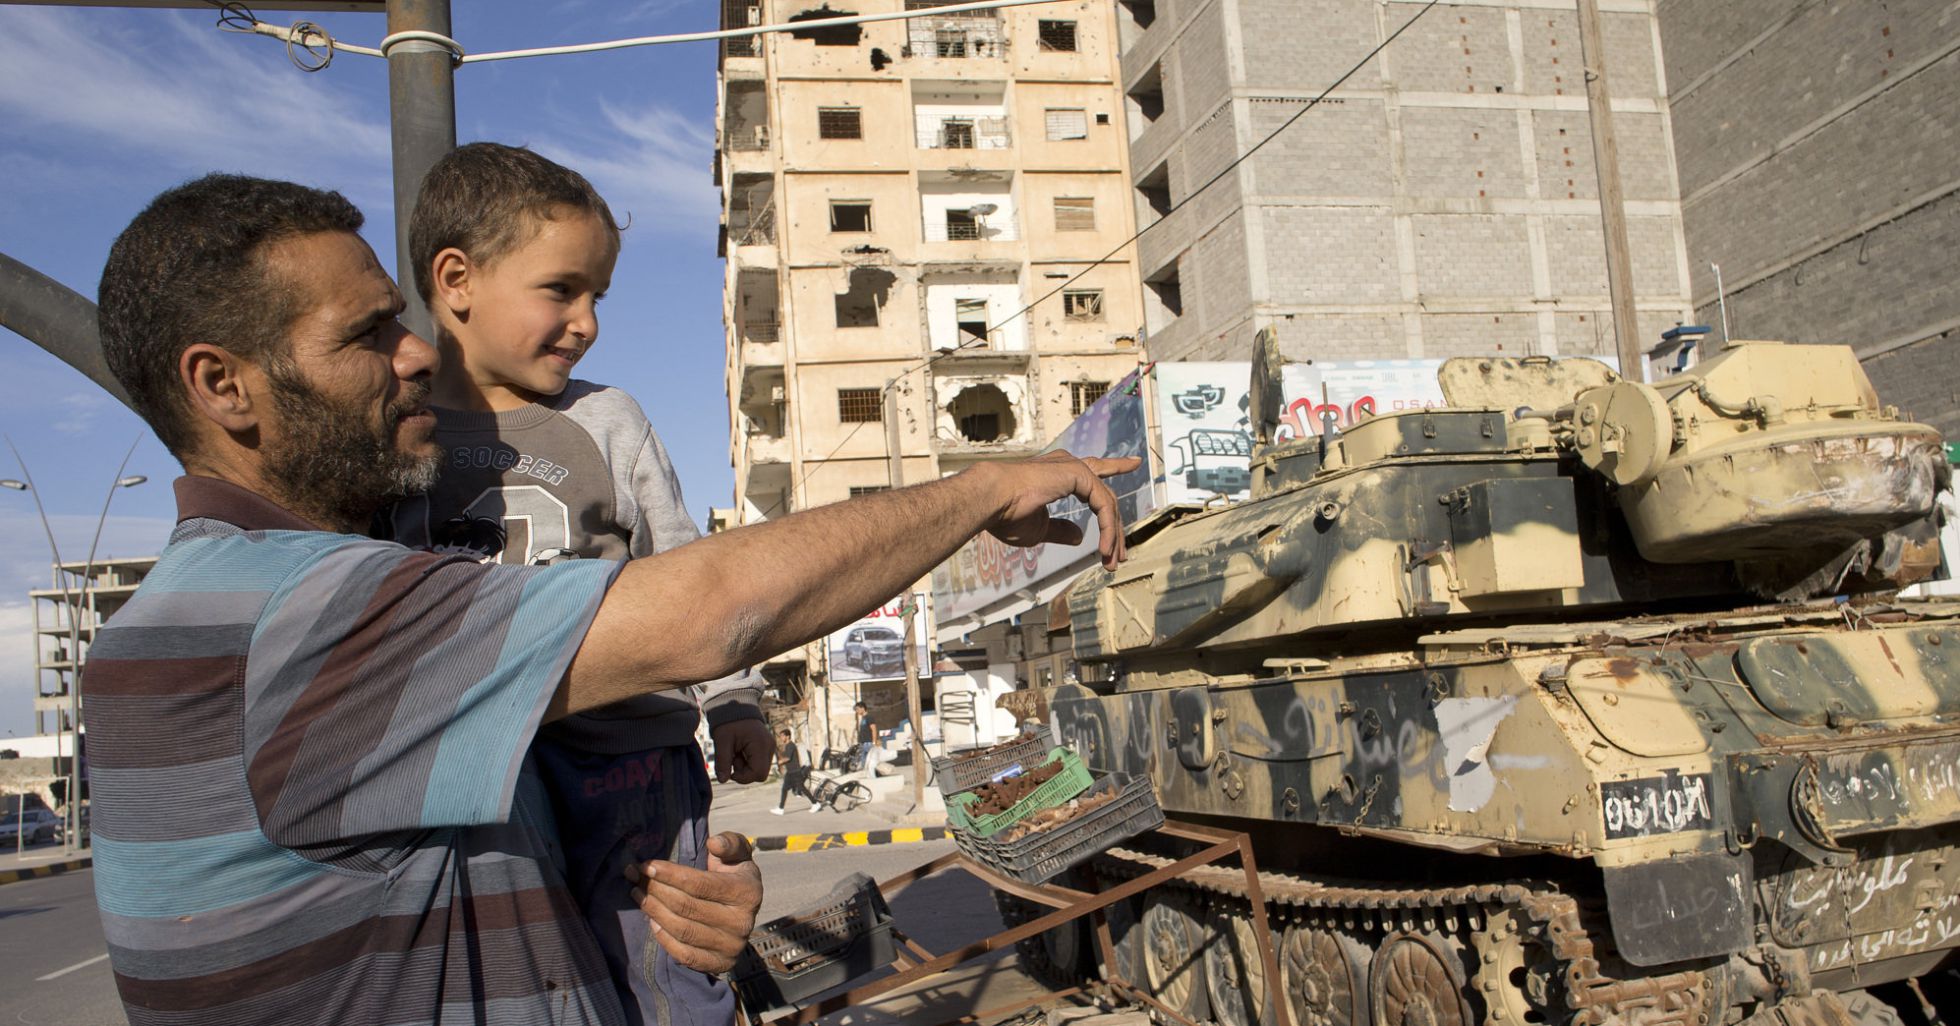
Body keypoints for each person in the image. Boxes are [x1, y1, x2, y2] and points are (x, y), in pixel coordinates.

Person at [84, 172, 1131, 1026]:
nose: (413, 354)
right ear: (223, 386)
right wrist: (983, 486)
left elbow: (463, 898)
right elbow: (705, 609)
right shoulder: (300, 616)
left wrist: (682, 917)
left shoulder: (268, 606)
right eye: (367, 335)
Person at [386, 142, 769, 1026]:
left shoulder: (608, 419)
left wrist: (736, 699)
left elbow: (683, 570)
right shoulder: (395, 433)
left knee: (667, 964)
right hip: (480, 768)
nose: (587, 322)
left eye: (597, 297)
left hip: (630, 756)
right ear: (457, 280)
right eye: (562, 290)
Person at [771, 729, 818, 815]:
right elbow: (784, 757)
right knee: (785, 789)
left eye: (782, 736)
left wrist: (780, 762)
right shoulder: (787, 746)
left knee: (802, 788)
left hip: (795, 772)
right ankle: (781, 808)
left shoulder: (791, 745)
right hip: (790, 772)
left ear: (787, 736)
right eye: (780, 736)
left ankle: (815, 803)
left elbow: (787, 758)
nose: (781, 738)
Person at [853, 701, 879, 773]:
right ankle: (866, 773)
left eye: (857, 709)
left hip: (868, 743)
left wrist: (874, 742)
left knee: (869, 760)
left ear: (863, 708)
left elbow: (874, 730)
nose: (857, 711)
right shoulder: (863, 719)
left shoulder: (869, 718)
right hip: (863, 743)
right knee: (863, 760)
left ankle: (871, 773)